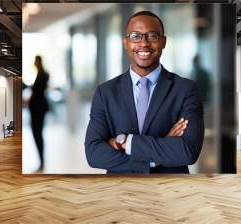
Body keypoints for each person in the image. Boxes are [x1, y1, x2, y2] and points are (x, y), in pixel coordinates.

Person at [85, 11, 204, 174]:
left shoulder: (185, 89)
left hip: (171, 190)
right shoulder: (105, 92)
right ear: (126, 42)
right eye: (135, 36)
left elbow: (188, 151)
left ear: (163, 42)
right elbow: (94, 154)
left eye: (152, 36)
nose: (144, 43)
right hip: (121, 191)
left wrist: (126, 142)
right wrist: (155, 157)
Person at [29, 55, 49, 172]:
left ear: (38, 61)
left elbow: (38, 91)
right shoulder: (40, 74)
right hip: (36, 108)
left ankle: (42, 161)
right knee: (37, 134)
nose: (34, 63)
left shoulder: (43, 75)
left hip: (38, 109)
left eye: (35, 61)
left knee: (37, 134)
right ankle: (41, 161)